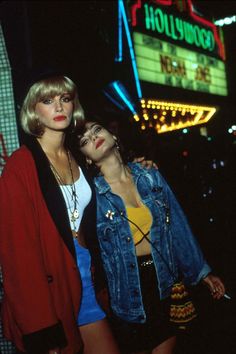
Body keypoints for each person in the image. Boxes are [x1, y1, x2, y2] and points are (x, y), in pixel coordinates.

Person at [76, 120, 226, 354]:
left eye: (97, 130)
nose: (94, 137)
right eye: (85, 141)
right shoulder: (91, 194)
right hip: (125, 290)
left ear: (114, 137)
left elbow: (177, 225)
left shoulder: (150, 175)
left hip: (165, 282)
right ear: (86, 157)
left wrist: (201, 271)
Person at [0, 74, 120, 354]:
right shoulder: (21, 166)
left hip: (87, 279)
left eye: (65, 99)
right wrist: (41, 330)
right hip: (50, 288)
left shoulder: (78, 155)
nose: (59, 107)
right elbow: (19, 255)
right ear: (33, 110)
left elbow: (114, 183)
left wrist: (142, 168)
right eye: (47, 100)